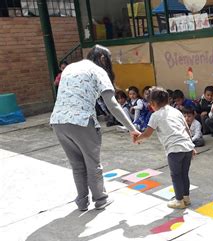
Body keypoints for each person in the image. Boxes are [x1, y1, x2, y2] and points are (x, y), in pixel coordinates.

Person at [50, 45, 140, 211]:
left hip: (58, 121)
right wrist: (132, 128)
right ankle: (100, 199)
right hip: (82, 121)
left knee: (77, 165)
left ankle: (82, 202)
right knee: (92, 164)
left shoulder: (70, 67)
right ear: (102, 59)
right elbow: (112, 104)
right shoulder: (98, 71)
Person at [134, 87, 196, 209]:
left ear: (153, 104)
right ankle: (186, 198)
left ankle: (179, 201)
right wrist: (192, 146)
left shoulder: (155, 115)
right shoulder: (176, 111)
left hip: (174, 150)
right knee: (184, 174)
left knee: (176, 175)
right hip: (187, 147)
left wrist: (138, 139)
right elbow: (187, 129)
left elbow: (147, 134)